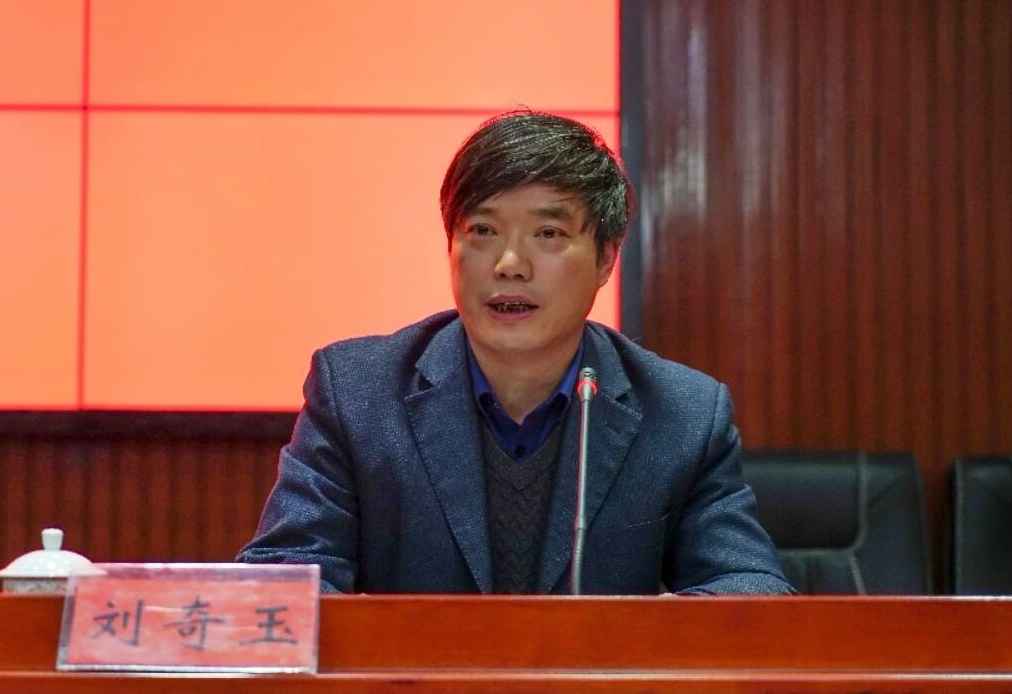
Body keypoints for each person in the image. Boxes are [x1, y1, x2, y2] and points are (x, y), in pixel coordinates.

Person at [237, 110, 792, 595]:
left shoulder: (682, 413)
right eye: (483, 230)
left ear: (605, 259)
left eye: (547, 234)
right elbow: (280, 582)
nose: (509, 265)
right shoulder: (358, 394)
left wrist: (643, 633)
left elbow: (752, 590)